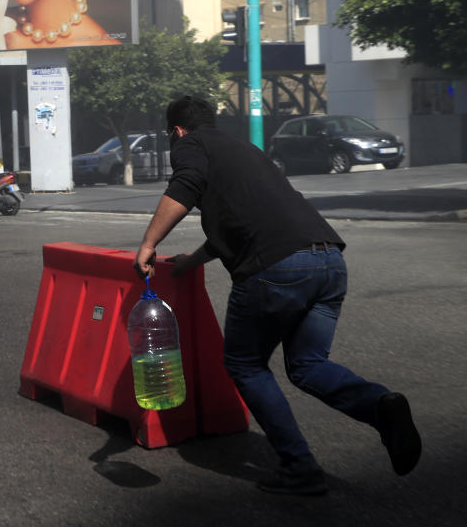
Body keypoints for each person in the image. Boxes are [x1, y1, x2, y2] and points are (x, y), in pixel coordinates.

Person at [133, 96, 422, 496]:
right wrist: (195, 259)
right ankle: (381, 405)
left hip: (277, 268)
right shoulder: (244, 150)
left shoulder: (190, 144)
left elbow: (184, 187)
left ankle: (299, 466)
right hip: (327, 260)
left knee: (245, 365)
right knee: (307, 365)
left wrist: (149, 243)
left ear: (178, 131)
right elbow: (245, 220)